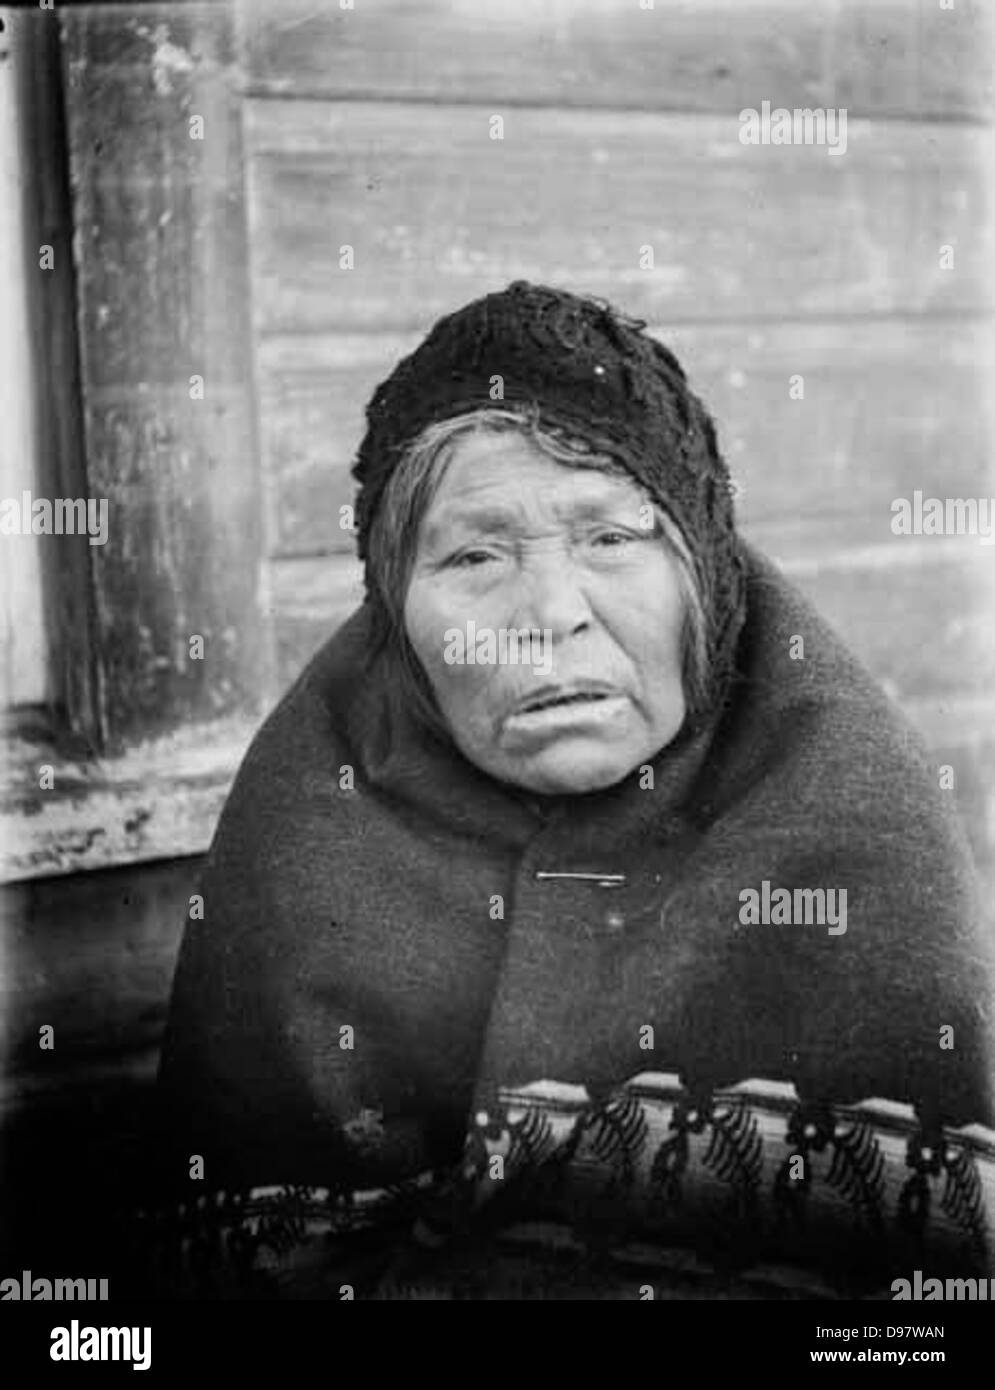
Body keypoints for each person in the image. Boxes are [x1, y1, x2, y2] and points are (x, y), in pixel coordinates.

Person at [154, 282, 995, 1298]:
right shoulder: (306, 830)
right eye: (472, 553)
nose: (549, 612)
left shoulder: (850, 815)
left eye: (609, 537)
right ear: (396, 617)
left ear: (708, 582)